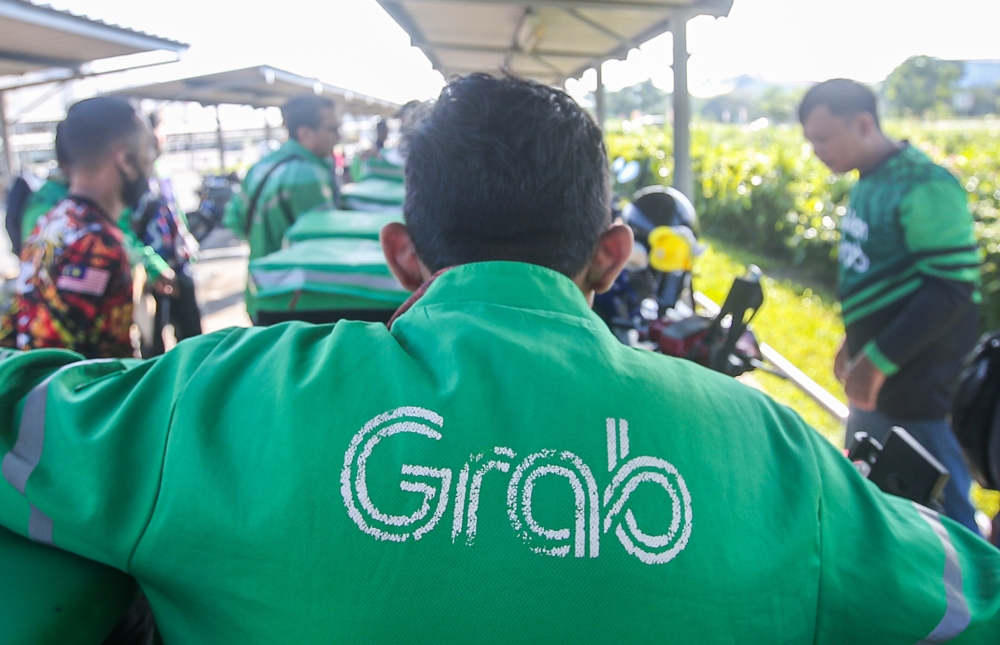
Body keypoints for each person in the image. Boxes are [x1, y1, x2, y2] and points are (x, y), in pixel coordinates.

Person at [1, 74, 999, 644]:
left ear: (401, 254)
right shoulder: (776, 456)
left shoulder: (212, 400)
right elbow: (970, 598)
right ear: (613, 256)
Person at [799, 79, 983, 534]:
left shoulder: (925, 185)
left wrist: (877, 361)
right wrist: (854, 339)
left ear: (863, 123)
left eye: (823, 138)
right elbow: (883, 273)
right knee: (868, 491)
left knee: (942, 509)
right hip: (876, 380)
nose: (817, 151)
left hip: (917, 385)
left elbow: (949, 292)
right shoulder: (867, 181)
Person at [0, 96, 156, 359]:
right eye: (148, 151)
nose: (151, 161)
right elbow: (57, 361)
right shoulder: (97, 244)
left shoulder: (52, 221)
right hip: (84, 397)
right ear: (124, 161)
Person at [223, 94, 338, 319]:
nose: (338, 137)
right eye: (332, 129)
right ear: (305, 133)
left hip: (260, 291)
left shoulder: (260, 167)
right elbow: (327, 248)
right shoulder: (308, 176)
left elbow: (234, 221)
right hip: (295, 300)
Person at [130, 112, 202, 357]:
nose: (165, 137)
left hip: (178, 265)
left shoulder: (162, 170)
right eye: (162, 130)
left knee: (192, 337)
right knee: (153, 340)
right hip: (152, 272)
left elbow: (173, 214)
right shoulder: (131, 179)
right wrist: (153, 267)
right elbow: (124, 229)